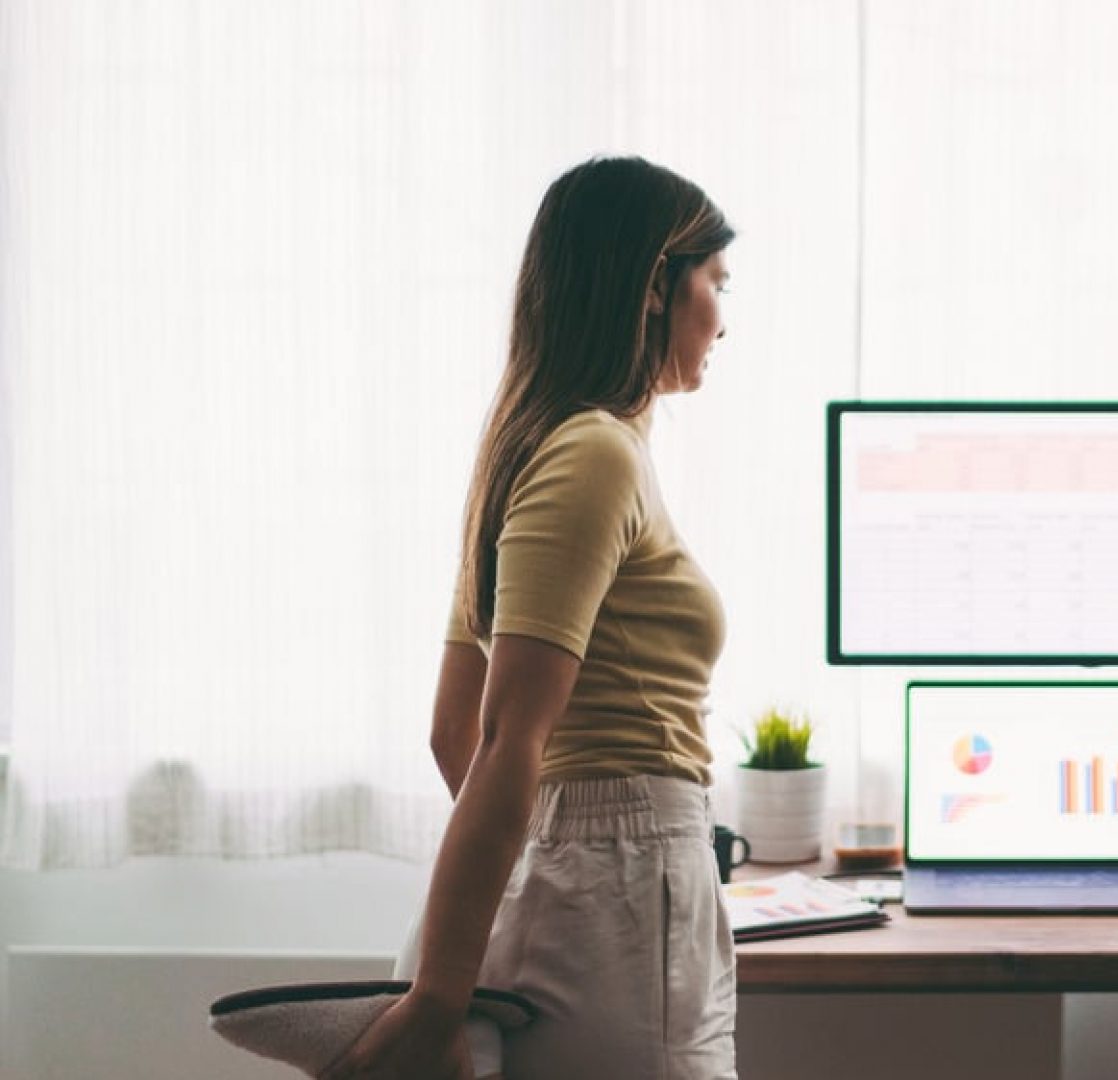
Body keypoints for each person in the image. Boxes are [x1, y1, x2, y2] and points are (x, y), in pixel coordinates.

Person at [321, 156, 737, 1080]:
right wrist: (439, 997)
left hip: (582, 874)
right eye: (714, 279)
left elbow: (451, 734)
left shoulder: (535, 445)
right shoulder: (595, 452)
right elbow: (505, 735)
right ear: (652, 287)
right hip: (622, 884)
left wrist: (537, 860)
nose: (722, 313)